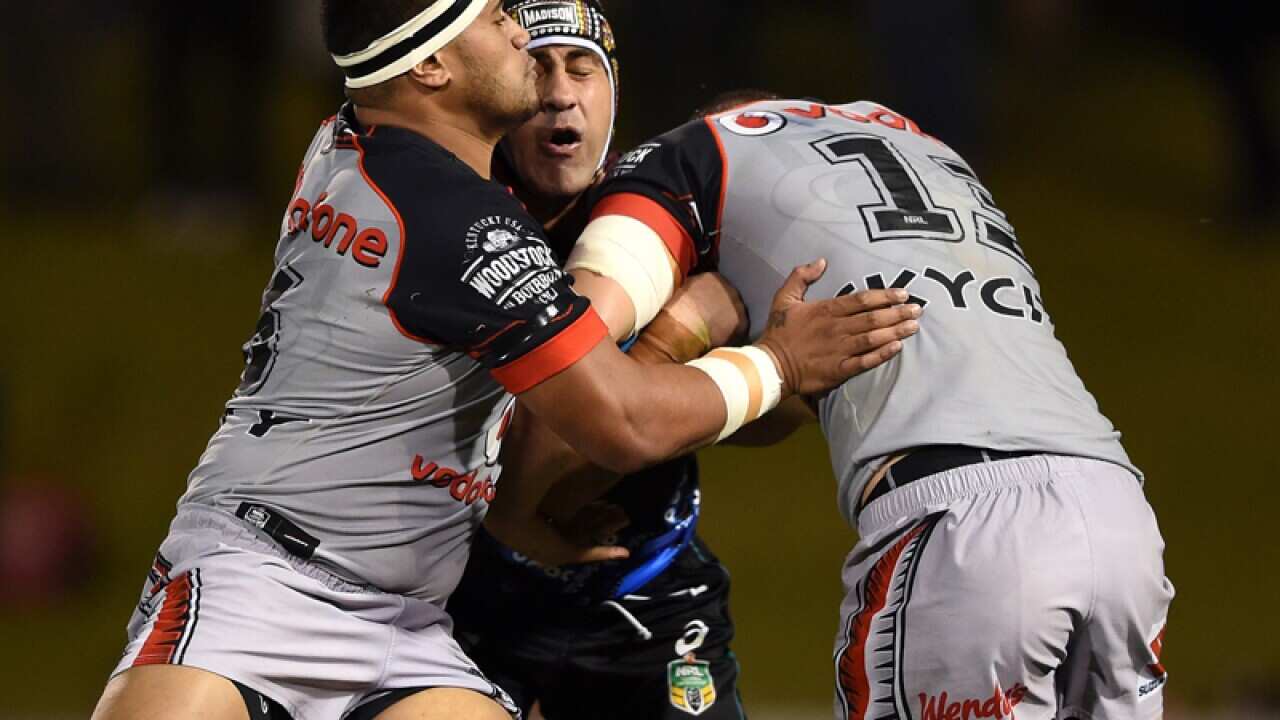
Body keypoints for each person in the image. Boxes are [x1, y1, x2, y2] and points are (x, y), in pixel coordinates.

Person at [89, 2, 922, 717]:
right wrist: (777, 360)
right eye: (496, 20)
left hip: (407, 618)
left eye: (578, 63)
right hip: (264, 580)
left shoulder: (355, 139)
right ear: (434, 68)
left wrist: (507, 502)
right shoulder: (459, 226)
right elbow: (625, 420)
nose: (520, 38)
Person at [500, 94, 1175, 720]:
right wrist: (769, 362)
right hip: (1119, 517)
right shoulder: (919, 145)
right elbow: (782, 407)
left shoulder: (687, 159)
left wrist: (684, 327)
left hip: (961, 531)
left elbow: (575, 384)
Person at [448, 3, 752, 718]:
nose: (560, 93)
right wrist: (678, 337)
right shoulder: (452, 226)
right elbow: (542, 443)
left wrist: (770, 367)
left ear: (615, 95)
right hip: (469, 594)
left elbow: (777, 421)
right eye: (537, 68)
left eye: (583, 69)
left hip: (652, 595)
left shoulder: (671, 218)